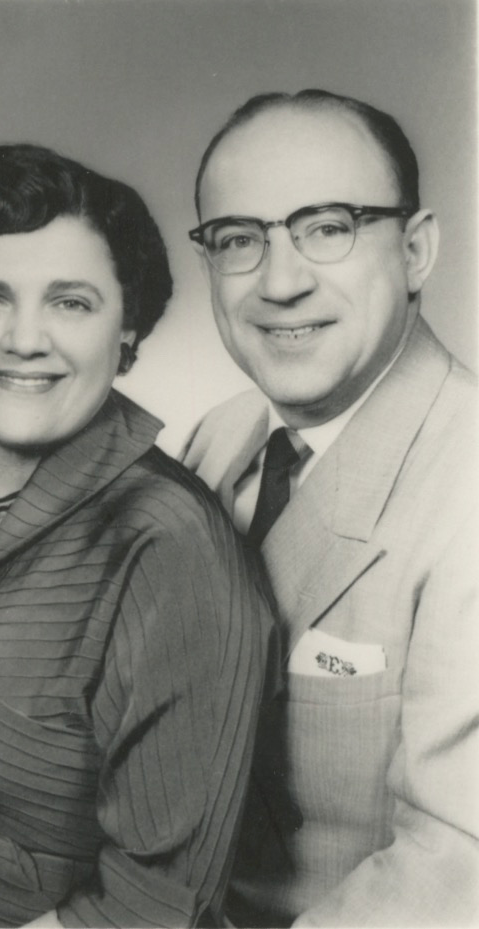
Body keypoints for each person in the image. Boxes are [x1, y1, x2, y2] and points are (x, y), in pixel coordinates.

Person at [0, 143, 275, 928]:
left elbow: (150, 909)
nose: (25, 338)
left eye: (71, 303)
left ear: (126, 331)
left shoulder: (169, 548)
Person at [183, 89, 478, 925]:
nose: (280, 281)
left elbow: (460, 867)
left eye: (328, 227)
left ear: (417, 250)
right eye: (240, 239)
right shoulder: (216, 440)